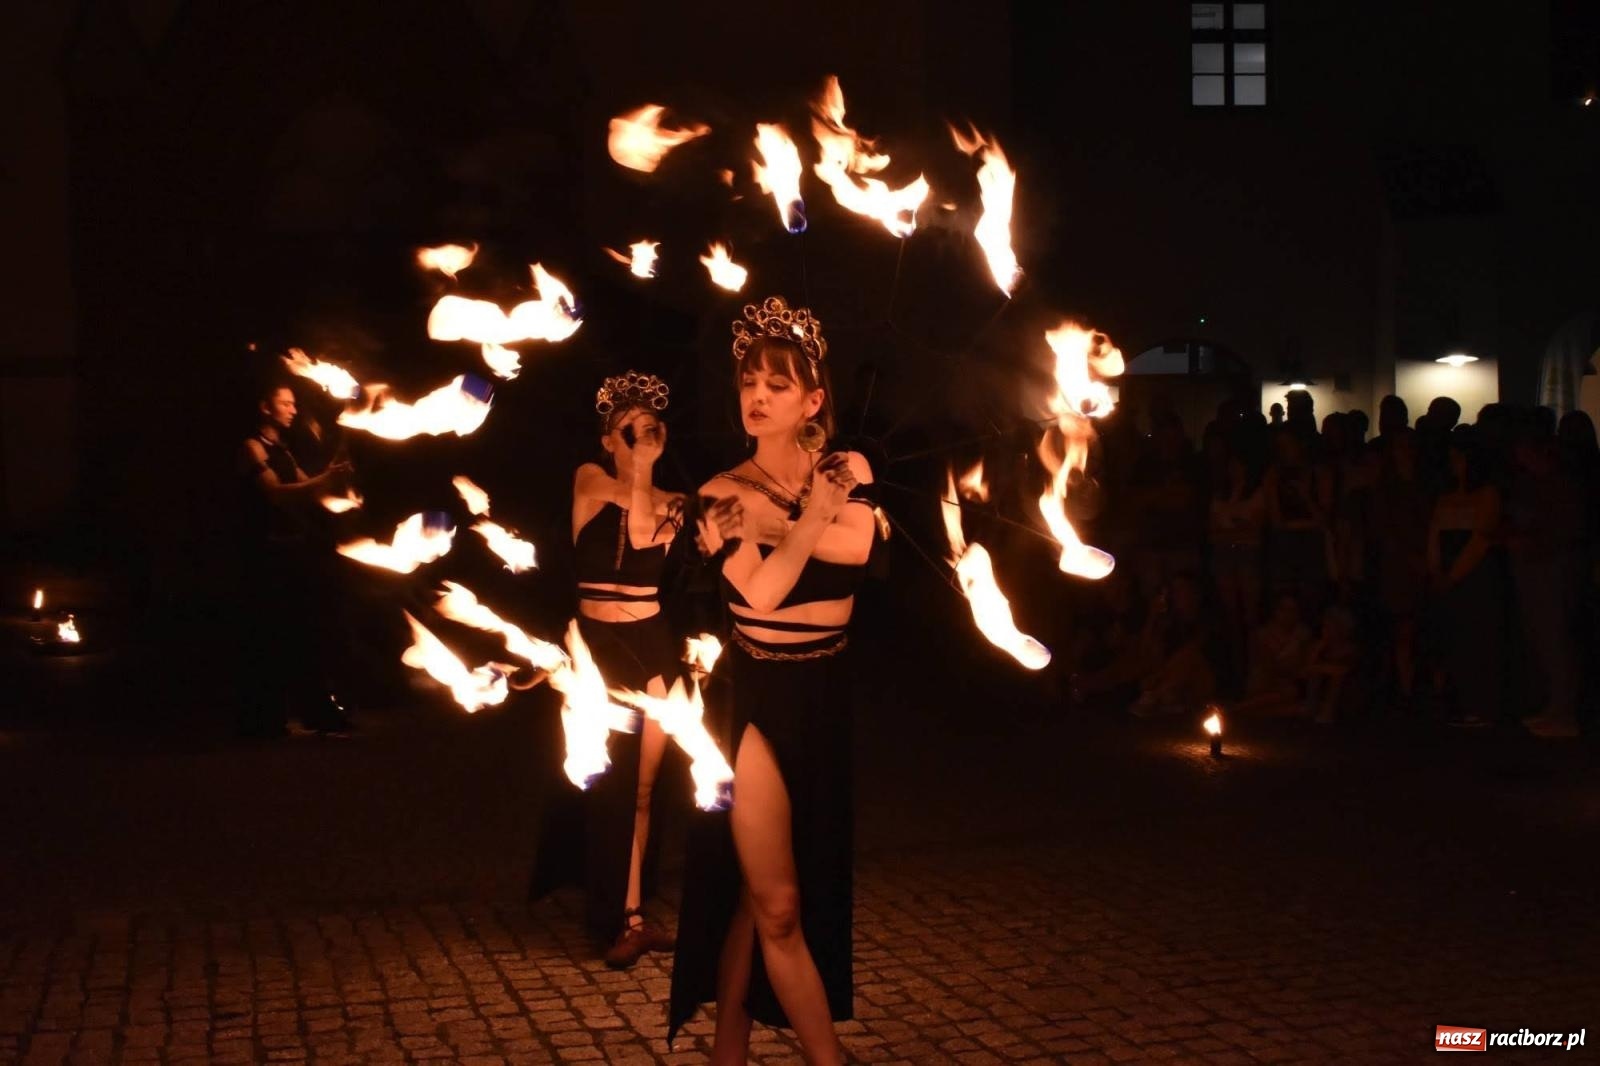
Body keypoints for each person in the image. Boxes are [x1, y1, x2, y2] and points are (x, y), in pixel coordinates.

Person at [669, 297, 876, 1064]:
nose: (757, 396)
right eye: (749, 381)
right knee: (779, 907)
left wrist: (787, 525)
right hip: (754, 702)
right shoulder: (721, 490)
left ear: (814, 400)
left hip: (826, 698)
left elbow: (857, 553)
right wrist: (812, 520)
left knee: (758, 904)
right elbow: (758, 593)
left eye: (778, 385)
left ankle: (729, 1051)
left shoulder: (847, 469)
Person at [530, 371, 686, 967]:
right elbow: (632, 507)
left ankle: (636, 910)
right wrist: (640, 463)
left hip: (652, 640)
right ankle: (617, 915)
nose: (640, 438)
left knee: (644, 790)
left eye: (649, 428)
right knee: (611, 789)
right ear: (607, 440)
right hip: (600, 646)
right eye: (628, 430)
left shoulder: (669, 500)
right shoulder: (589, 479)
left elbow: (648, 528)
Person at [237, 382, 354, 738]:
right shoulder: (252, 447)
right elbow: (275, 493)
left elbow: (310, 489)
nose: (292, 409)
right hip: (267, 558)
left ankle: (317, 714)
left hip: (295, 555)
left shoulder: (285, 452)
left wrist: (334, 476)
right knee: (273, 637)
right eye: (284, 403)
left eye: (293, 404)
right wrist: (323, 479)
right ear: (265, 407)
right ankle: (265, 719)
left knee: (306, 636)